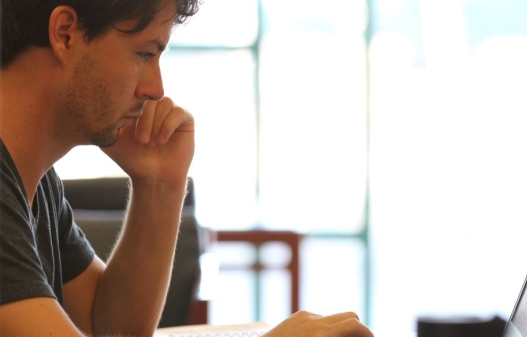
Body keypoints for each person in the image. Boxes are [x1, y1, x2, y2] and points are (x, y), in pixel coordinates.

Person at [0, 1, 375, 336]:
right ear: (65, 34)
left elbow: (109, 328)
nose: (155, 88)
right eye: (145, 53)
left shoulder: (36, 183)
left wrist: (160, 183)